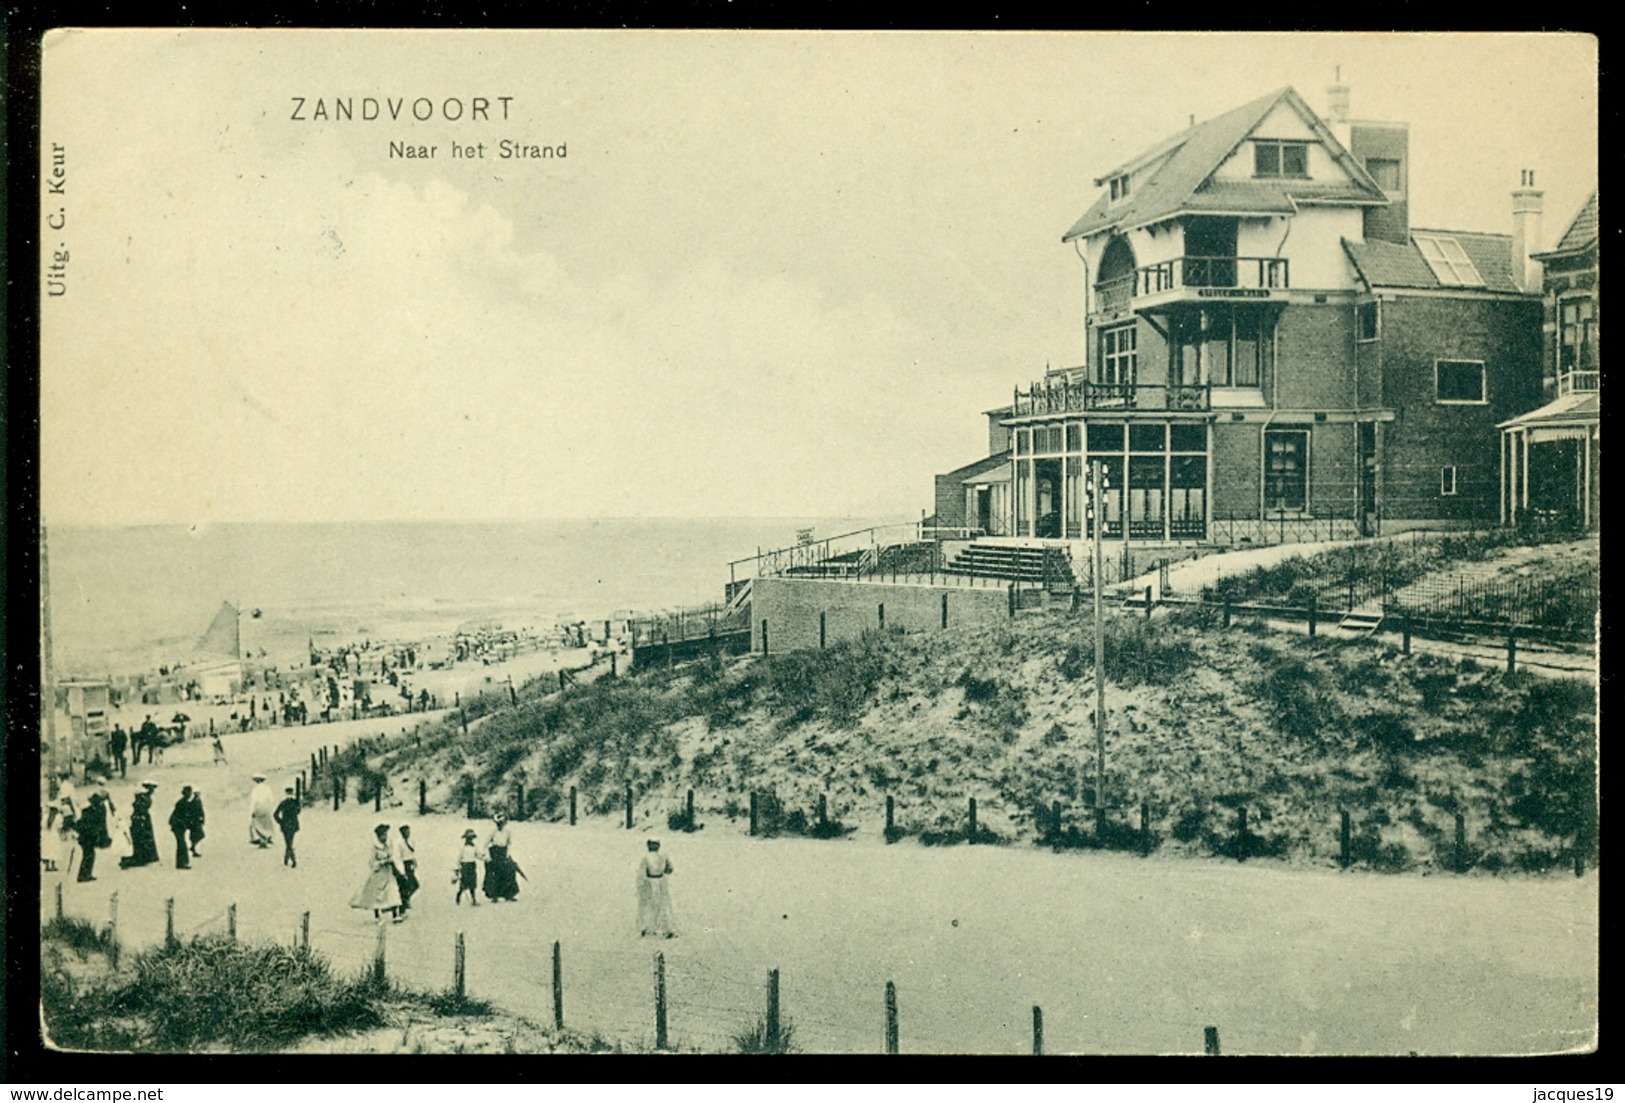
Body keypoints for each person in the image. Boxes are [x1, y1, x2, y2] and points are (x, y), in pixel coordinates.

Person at [350, 823, 403, 923]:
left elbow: (394, 856)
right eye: (382, 835)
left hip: (388, 873)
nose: (384, 837)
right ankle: (378, 915)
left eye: (385, 835)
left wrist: (392, 861)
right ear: (378, 836)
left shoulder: (390, 844)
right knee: (377, 896)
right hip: (378, 875)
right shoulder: (374, 848)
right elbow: (371, 863)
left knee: (393, 892)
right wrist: (382, 862)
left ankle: (396, 914)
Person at [636, 838, 676, 938]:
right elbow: (670, 869)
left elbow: (641, 874)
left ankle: (650, 928)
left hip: (650, 883)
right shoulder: (663, 856)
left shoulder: (645, 857)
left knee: (650, 906)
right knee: (662, 905)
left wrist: (640, 887)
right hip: (661, 882)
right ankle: (664, 928)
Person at [120, 782, 161, 868]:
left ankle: (146, 856)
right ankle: (144, 857)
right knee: (144, 838)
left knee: (145, 838)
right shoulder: (143, 799)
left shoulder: (142, 799)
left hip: (142, 820)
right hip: (141, 821)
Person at [482, 812, 520, 902]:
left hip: (504, 853)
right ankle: (494, 895)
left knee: (508, 873)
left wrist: (508, 854)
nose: (500, 825)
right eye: (498, 823)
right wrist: (488, 856)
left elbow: (510, 843)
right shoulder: (492, 832)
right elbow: (485, 845)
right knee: (494, 874)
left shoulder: (508, 832)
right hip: (494, 853)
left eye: (502, 823)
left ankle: (508, 895)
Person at [75, 792, 111, 883]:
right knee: (89, 855)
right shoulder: (89, 811)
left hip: (87, 837)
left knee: (89, 855)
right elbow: (87, 825)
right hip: (87, 837)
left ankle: (85, 874)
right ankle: (84, 875)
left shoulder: (91, 810)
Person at [169, 786, 197, 869]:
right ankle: (182, 863)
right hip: (177, 825)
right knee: (182, 844)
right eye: (189, 792)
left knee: (182, 843)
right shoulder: (182, 803)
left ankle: (182, 862)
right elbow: (179, 816)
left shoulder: (184, 802)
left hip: (179, 825)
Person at [394, 825, 419, 914]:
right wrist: (401, 870)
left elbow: (412, 853)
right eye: (406, 832)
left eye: (409, 831)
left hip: (410, 864)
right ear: (402, 833)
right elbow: (398, 857)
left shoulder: (412, 841)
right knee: (405, 886)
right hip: (403, 865)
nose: (408, 833)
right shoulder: (398, 843)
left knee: (415, 885)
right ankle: (402, 908)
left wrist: (414, 861)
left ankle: (406, 900)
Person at [274, 786, 301, 868]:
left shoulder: (283, 803)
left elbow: (275, 814)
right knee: (289, 843)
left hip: (286, 825)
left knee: (288, 843)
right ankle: (290, 859)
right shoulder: (296, 803)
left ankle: (289, 859)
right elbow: (298, 812)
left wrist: (281, 822)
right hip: (292, 825)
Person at [454, 829, 483, 906]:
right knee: (464, 883)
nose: (470, 840)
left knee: (473, 884)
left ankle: (474, 900)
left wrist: (484, 858)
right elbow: (459, 858)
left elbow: (478, 855)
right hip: (465, 866)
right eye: (468, 838)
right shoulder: (463, 848)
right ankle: (458, 895)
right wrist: (457, 868)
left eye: (471, 838)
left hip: (472, 865)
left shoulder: (474, 847)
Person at [248, 774, 276, 848]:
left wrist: (252, 810)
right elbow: (271, 799)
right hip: (266, 806)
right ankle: (267, 837)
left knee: (257, 823)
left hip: (258, 807)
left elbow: (254, 801)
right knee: (266, 823)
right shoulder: (267, 788)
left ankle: (262, 838)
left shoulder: (255, 789)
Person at [188, 789, 207, 857]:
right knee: (198, 835)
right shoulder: (194, 802)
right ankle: (193, 848)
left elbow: (201, 811)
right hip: (195, 822)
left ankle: (193, 847)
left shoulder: (198, 801)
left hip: (197, 821)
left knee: (198, 835)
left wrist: (203, 819)